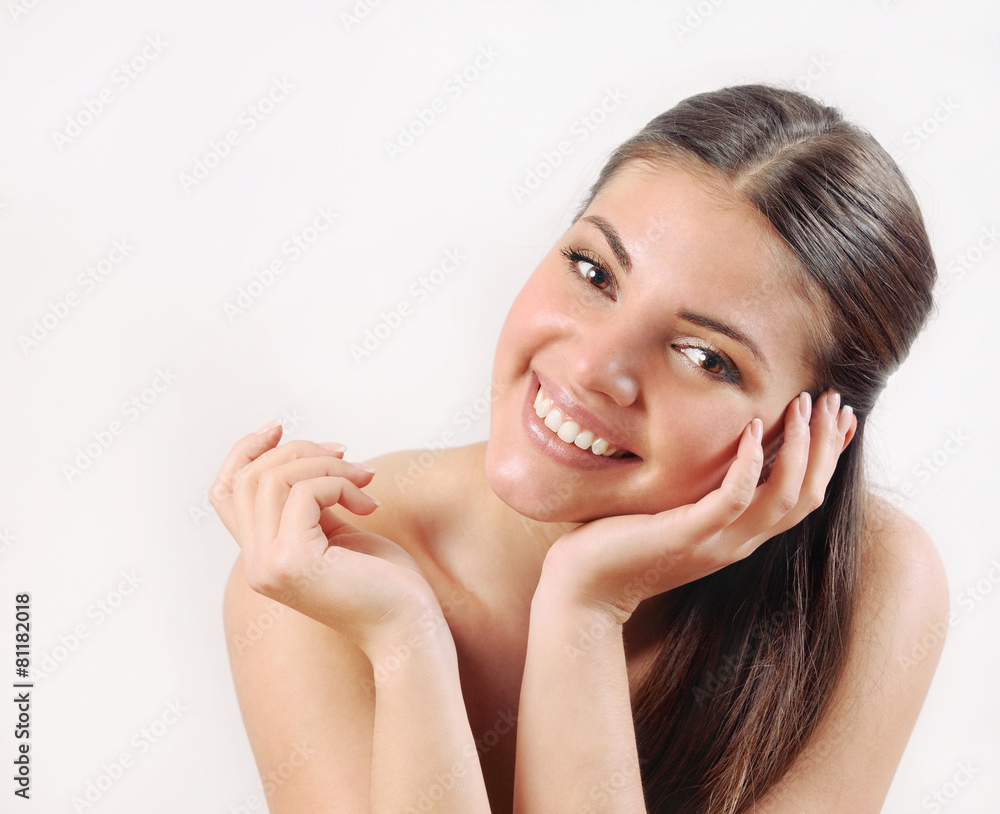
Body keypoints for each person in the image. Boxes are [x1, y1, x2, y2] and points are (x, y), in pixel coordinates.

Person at [212, 84, 948, 813]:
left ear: (804, 437)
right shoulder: (322, 566)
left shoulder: (869, 586)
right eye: (594, 272)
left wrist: (586, 609)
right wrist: (403, 639)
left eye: (703, 357)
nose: (595, 367)